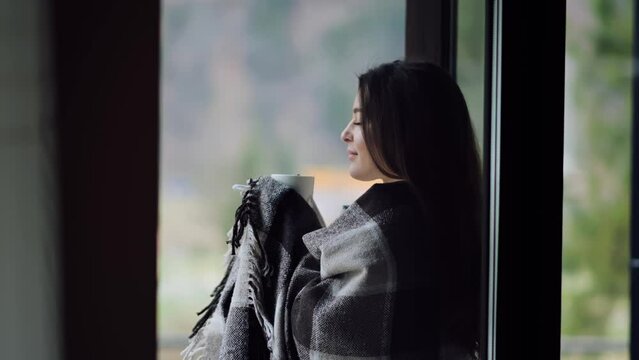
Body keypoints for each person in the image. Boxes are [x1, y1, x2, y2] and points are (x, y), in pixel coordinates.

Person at [288, 59, 482, 359]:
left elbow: (319, 330)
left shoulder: (394, 232)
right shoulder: (450, 214)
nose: (345, 134)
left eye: (359, 120)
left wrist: (282, 224)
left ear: (404, 127)